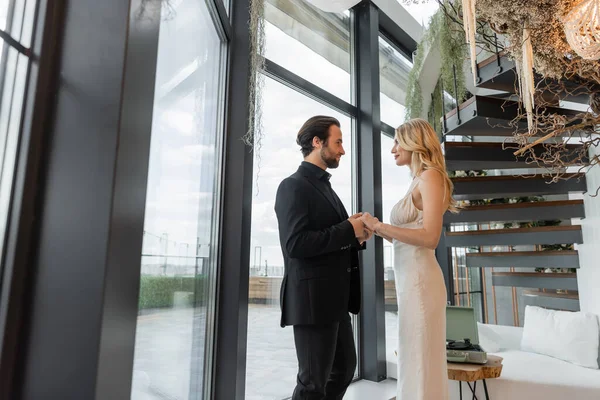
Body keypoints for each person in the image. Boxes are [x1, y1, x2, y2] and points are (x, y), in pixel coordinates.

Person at [274, 116, 373, 400]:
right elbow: (295, 244)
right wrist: (347, 229)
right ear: (317, 142)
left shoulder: (324, 187)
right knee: (312, 384)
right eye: (338, 142)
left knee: (343, 370)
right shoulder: (292, 186)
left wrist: (356, 236)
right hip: (313, 301)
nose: (343, 150)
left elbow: (329, 237)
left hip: (334, 300)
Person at [361, 118, 458, 400]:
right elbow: (408, 239)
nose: (392, 148)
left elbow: (430, 238)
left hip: (420, 282)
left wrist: (380, 226)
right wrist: (377, 229)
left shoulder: (430, 176)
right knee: (414, 355)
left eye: (397, 141)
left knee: (420, 359)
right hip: (411, 282)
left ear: (414, 142)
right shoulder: (419, 179)